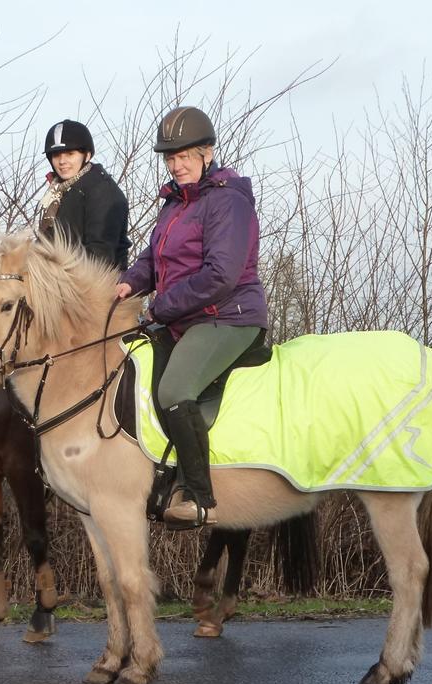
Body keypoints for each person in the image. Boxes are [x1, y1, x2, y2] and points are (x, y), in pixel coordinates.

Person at [114, 106, 268, 527]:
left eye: (184, 156)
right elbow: (154, 258)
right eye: (170, 157)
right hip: (184, 317)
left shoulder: (227, 202)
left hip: (229, 316)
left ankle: (199, 497)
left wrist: (158, 307)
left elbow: (220, 275)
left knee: (175, 389)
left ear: (207, 153)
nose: (176, 164)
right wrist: (128, 284)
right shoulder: (175, 204)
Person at [38, 119, 131, 270]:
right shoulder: (57, 194)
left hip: (97, 285)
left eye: (70, 154)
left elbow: (100, 255)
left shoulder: (103, 191)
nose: (62, 161)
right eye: (56, 155)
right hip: (59, 282)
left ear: (86, 156)